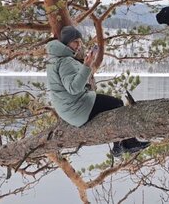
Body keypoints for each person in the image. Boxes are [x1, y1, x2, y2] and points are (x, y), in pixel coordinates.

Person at [46, 25, 149, 157]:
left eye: (80, 42)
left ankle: (119, 145)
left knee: (108, 104)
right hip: (77, 109)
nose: (78, 45)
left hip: (67, 110)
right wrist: (87, 65)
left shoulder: (54, 59)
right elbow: (73, 88)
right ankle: (125, 144)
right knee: (116, 104)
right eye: (75, 42)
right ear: (67, 42)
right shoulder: (65, 61)